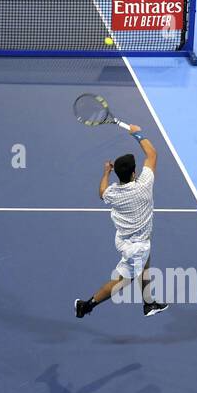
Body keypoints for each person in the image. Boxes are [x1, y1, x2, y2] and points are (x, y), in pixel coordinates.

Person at [75, 122, 167, 318]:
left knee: (146, 264)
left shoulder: (113, 193)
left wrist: (106, 173)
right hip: (136, 246)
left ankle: (149, 303)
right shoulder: (144, 185)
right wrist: (138, 133)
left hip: (124, 239)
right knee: (124, 279)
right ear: (134, 173)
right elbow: (152, 154)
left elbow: (101, 192)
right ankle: (87, 305)